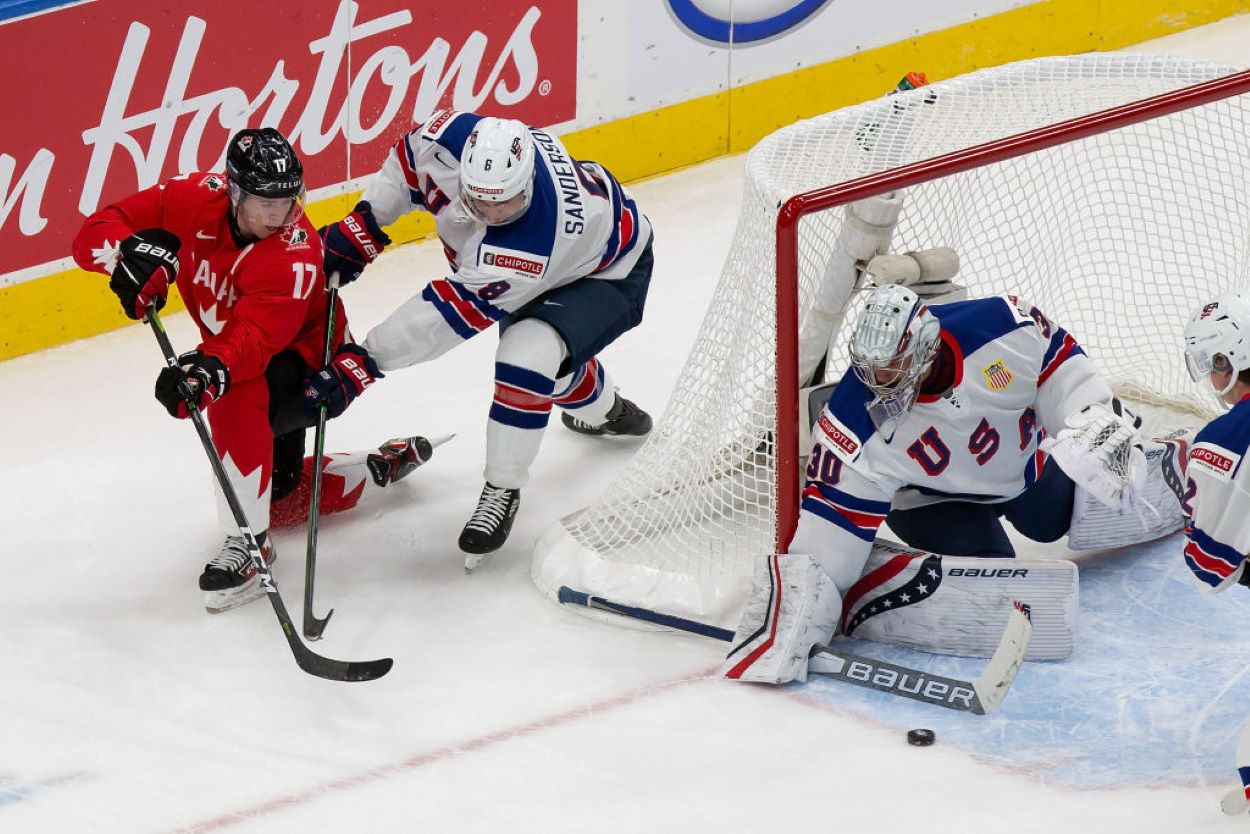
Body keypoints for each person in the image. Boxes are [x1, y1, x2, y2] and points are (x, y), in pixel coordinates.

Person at [72, 127, 433, 613]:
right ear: (234, 192)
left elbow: (254, 344)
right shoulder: (193, 198)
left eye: (286, 202)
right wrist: (125, 257)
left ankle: (248, 545)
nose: (276, 215)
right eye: (264, 202)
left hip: (308, 368)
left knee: (233, 391)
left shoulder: (294, 254)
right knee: (279, 497)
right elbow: (98, 227)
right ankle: (373, 468)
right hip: (242, 352)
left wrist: (204, 373)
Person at [722, 282, 1153, 683]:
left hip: (1021, 466)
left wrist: (1092, 416)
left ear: (925, 350)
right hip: (932, 500)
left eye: (892, 368)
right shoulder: (852, 422)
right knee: (993, 575)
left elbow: (1058, 364)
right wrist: (800, 605)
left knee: (1052, 520)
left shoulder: (1000, 324)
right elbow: (830, 530)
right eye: (871, 369)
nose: (879, 384)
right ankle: (883, 582)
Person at [315, 110, 655, 567]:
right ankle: (609, 411)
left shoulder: (526, 244)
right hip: (569, 253)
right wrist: (367, 222)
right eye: (481, 203)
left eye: (506, 205)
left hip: (609, 270)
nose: (492, 214)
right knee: (550, 369)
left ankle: (503, 486)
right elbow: (409, 160)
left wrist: (364, 362)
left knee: (528, 355)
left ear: (528, 185)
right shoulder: (450, 138)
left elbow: (443, 315)